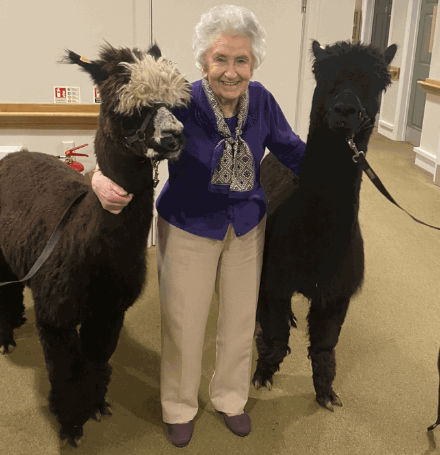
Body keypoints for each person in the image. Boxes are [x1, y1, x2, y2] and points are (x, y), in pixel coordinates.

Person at [91, 4, 306, 448]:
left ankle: (230, 398)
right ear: (203, 61)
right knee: (183, 322)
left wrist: (334, 170)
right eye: (220, 59)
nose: (231, 71)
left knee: (240, 320)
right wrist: (97, 177)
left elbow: (290, 148)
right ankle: (179, 406)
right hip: (189, 224)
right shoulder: (180, 101)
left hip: (246, 226)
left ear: (254, 62)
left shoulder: (262, 100)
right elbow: (125, 140)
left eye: (241, 60)